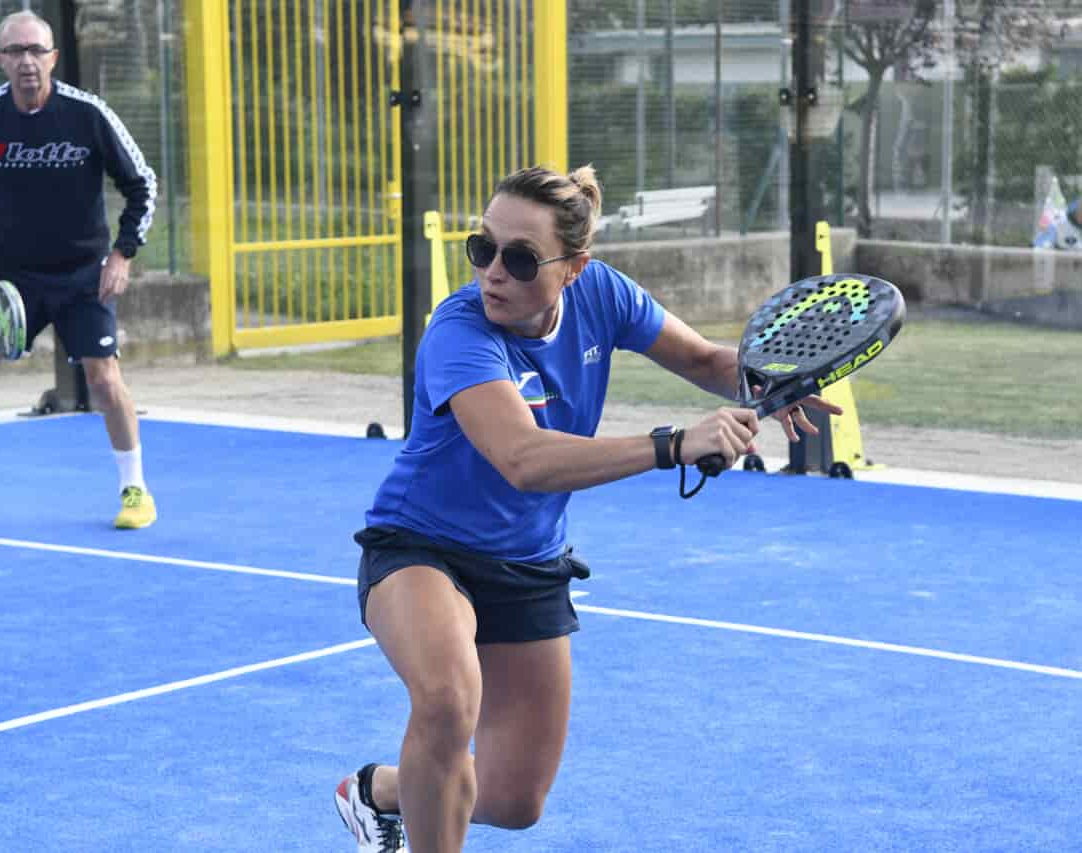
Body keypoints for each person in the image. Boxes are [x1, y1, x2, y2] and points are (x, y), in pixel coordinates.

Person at [332, 164, 843, 853]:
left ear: (574, 268)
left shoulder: (603, 294)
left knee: (515, 800)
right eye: (482, 249)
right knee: (449, 698)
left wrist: (766, 377)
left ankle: (378, 792)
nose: (493, 273)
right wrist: (672, 444)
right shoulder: (459, 332)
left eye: (518, 259)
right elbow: (524, 459)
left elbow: (699, 357)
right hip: (421, 545)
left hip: (528, 560)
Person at [0, 11, 158, 527]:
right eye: (15, 51)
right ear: (0, 60)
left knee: (103, 380)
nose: (26, 61)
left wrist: (122, 254)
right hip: (10, 280)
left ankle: (135, 490)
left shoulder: (88, 114)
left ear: (52, 57)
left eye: (35, 50)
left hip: (82, 277)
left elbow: (142, 183)